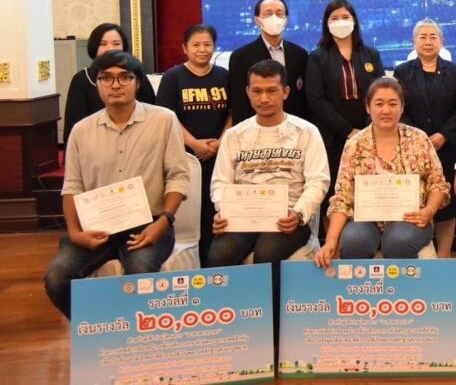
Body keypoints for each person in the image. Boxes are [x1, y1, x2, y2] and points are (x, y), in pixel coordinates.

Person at [44, 50, 189, 318]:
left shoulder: (163, 120)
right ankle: (97, 328)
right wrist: (74, 233)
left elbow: (178, 176)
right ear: (97, 84)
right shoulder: (81, 131)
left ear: (137, 82)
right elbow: (72, 186)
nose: (115, 84)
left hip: (149, 225)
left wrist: (163, 222)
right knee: (57, 278)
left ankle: (135, 334)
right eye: (106, 78)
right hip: (96, 226)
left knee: (140, 275)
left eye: (124, 77)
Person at [207, 59, 330, 342]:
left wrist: (298, 214)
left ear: (285, 92)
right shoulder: (235, 135)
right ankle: (225, 332)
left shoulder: (306, 132)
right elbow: (220, 183)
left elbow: (318, 181)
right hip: (242, 218)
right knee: (218, 255)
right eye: (257, 91)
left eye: (271, 91)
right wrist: (223, 210)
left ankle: (269, 334)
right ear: (247, 93)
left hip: (289, 219)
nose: (264, 98)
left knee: (267, 252)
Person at [315, 77, 450, 262]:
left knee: (398, 241)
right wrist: (331, 242)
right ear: (368, 107)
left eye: (393, 104)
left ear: (402, 107)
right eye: (379, 104)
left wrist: (429, 210)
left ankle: (404, 283)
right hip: (365, 219)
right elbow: (342, 198)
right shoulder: (354, 145)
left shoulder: (418, 139)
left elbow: (438, 184)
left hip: (410, 218)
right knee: (353, 242)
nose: (386, 110)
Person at [393, 20, 456, 258]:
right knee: (418, 198)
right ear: (413, 42)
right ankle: (422, 252)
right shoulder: (402, 72)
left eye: (433, 37)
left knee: (446, 205)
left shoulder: (455, 72)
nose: (428, 41)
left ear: (442, 41)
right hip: (412, 150)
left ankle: (445, 255)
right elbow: (398, 108)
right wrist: (418, 138)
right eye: (422, 37)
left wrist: (443, 135)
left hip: (447, 149)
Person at [305, 0, 385, 231]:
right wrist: (348, 131)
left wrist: (368, 128)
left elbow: (380, 92)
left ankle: (366, 238)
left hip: (369, 129)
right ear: (326, 24)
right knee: (334, 190)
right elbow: (316, 99)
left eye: (345, 17)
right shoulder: (317, 57)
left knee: (367, 185)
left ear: (355, 21)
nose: (341, 22)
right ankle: (335, 242)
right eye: (334, 18)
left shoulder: (370, 54)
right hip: (333, 133)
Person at [155, 23, 231, 265]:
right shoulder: (173, 77)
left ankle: (212, 264)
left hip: (219, 157)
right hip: (185, 158)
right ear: (184, 48)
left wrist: (221, 142)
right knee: (190, 214)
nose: (202, 49)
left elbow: (232, 112)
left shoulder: (224, 76)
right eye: (196, 45)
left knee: (214, 214)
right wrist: (194, 144)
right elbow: (168, 116)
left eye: (207, 44)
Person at [62, 23, 156, 145]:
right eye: (103, 44)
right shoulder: (82, 79)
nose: (110, 48)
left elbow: (151, 113)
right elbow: (73, 126)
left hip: (137, 142)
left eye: (116, 44)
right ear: (94, 48)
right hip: (95, 145)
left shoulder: (136, 75)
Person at [227, 0, 308, 125]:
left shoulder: (300, 54)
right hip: (257, 128)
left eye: (279, 14)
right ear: (257, 20)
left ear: (286, 20)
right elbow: (239, 104)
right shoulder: (240, 57)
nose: (274, 18)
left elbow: (304, 100)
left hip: (294, 128)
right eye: (268, 14)